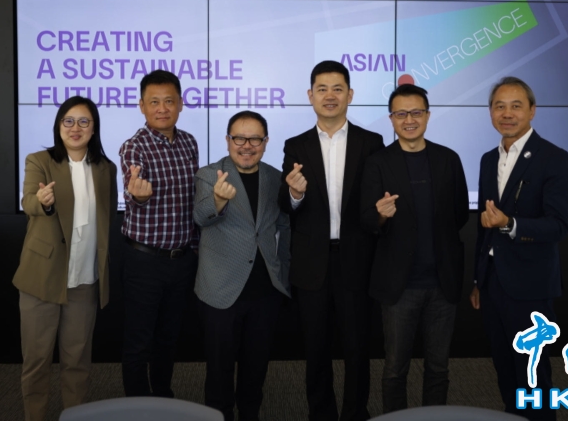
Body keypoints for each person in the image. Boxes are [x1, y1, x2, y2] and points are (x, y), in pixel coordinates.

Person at [279, 60, 384, 421]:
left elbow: (375, 204)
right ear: (310, 96)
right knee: (315, 349)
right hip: (312, 264)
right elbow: (285, 205)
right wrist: (294, 194)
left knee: (358, 349)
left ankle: (356, 413)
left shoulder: (372, 143)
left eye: (337, 88)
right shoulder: (296, 145)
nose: (330, 96)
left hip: (356, 260)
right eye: (322, 89)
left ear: (350, 95)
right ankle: (320, 414)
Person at [470, 77, 568, 421]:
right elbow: (484, 226)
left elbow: (558, 225)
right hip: (493, 282)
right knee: (503, 367)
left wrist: (510, 224)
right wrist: (478, 279)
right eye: (499, 106)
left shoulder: (554, 158)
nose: (507, 113)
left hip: (530, 286)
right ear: (490, 112)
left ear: (532, 111)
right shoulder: (488, 159)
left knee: (533, 373)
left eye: (516, 106)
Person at [361, 84, 468, 412]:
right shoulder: (378, 162)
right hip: (399, 286)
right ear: (391, 119)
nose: (409, 120)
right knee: (395, 368)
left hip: (442, 283)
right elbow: (367, 220)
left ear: (428, 115)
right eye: (401, 114)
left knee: (439, 367)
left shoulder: (448, 159)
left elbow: (460, 214)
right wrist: (381, 215)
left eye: (416, 112)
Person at [14, 96, 118, 421]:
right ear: (59, 126)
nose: (76, 128)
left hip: (85, 280)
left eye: (84, 121)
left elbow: (108, 218)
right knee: (37, 361)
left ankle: (75, 416)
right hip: (42, 278)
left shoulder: (106, 168)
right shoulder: (40, 160)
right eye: (68, 121)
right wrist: (43, 202)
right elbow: (29, 201)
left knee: (77, 362)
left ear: (94, 128)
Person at [194, 110, 291, 421]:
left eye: (255, 139)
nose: (246, 145)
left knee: (256, 369)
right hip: (220, 291)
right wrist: (218, 200)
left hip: (265, 291)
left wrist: (284, 275)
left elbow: (283, 226)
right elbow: (200, 217)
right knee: (219, 371)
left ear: (265, 142)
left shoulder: (275, 177)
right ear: (227, 140)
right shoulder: (209, 175)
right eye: (239, 138)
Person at [119, 70, 199, 397]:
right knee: (139, 342)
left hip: (181, 259)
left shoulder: (189, 142)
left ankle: (164, 398)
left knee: (169, 338)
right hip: (145, 262)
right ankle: (138, 408)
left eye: (169, 101)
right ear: (142, 106)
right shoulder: (134, 147)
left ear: (180, 103)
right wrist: (138, 195)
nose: (162, 108)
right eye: (154, 102)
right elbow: (134, 192)